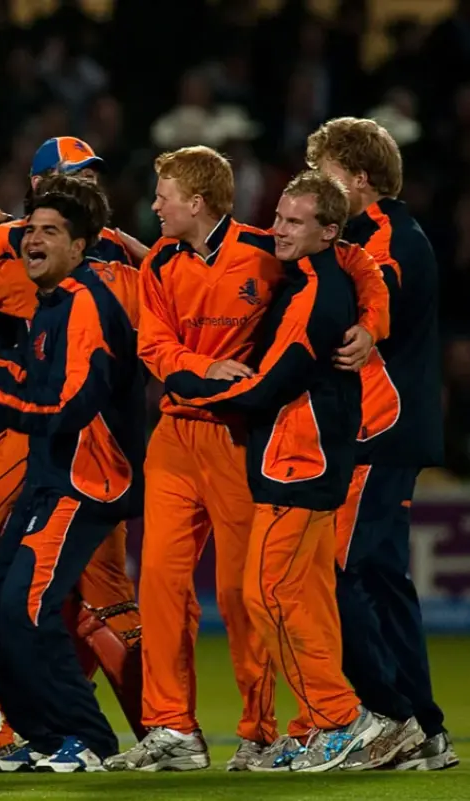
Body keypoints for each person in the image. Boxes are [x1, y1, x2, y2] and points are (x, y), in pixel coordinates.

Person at [108, 145, 389, 773]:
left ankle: (261, 732)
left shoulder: (269, 249)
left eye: (164, 195)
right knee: (158, 584)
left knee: (244, 593)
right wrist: (204, 370)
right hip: (177, 436)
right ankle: (171, 729)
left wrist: (373, 323)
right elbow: (154, 347)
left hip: (241, 436)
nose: (155, 205)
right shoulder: (159, 262)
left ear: (197, 201)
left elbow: (355, 266)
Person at [0, 139, 147, 770]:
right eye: (71, 178)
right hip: (55, 454)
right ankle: (87, 729)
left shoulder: (70, 279)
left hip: (71, 460)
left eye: (89, 177)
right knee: (53, 599)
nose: (35, 237)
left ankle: (66, 730)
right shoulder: (73, 276)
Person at [308, 116, 458, 770]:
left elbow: (379, 301)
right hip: (391, 428)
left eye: (327, 174)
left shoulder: (384, 235)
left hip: (378, 427)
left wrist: (354, 323)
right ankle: (424, 725)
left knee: (331, 569)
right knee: (383, 578)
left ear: (359, 180)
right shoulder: (384, 232)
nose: (318, 186)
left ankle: (386, 717)